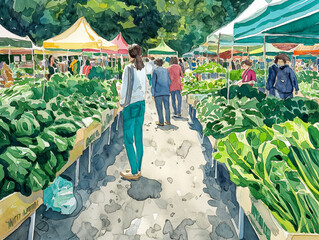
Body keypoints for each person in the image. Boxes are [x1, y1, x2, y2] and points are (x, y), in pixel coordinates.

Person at [120, 44, 147, 181]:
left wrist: (121, 102)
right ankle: (138, 168)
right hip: (141, 104)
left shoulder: (128, 68)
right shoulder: (143, 67)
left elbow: (124, 88)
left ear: (129, 54)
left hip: (130, 105)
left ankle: (134, 171)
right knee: (139, 137)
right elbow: (146, 86)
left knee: (128, 140)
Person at [152, 58, 171, 126]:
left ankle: (161, 121)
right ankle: (168, 120)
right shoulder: (166, 70)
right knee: (167, 107)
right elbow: (169, 82)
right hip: (166, 92)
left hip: (158, 92)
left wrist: (153, 94)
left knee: (159, 107)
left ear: (156, 63)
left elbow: (153, 84)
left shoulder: (155, 71)